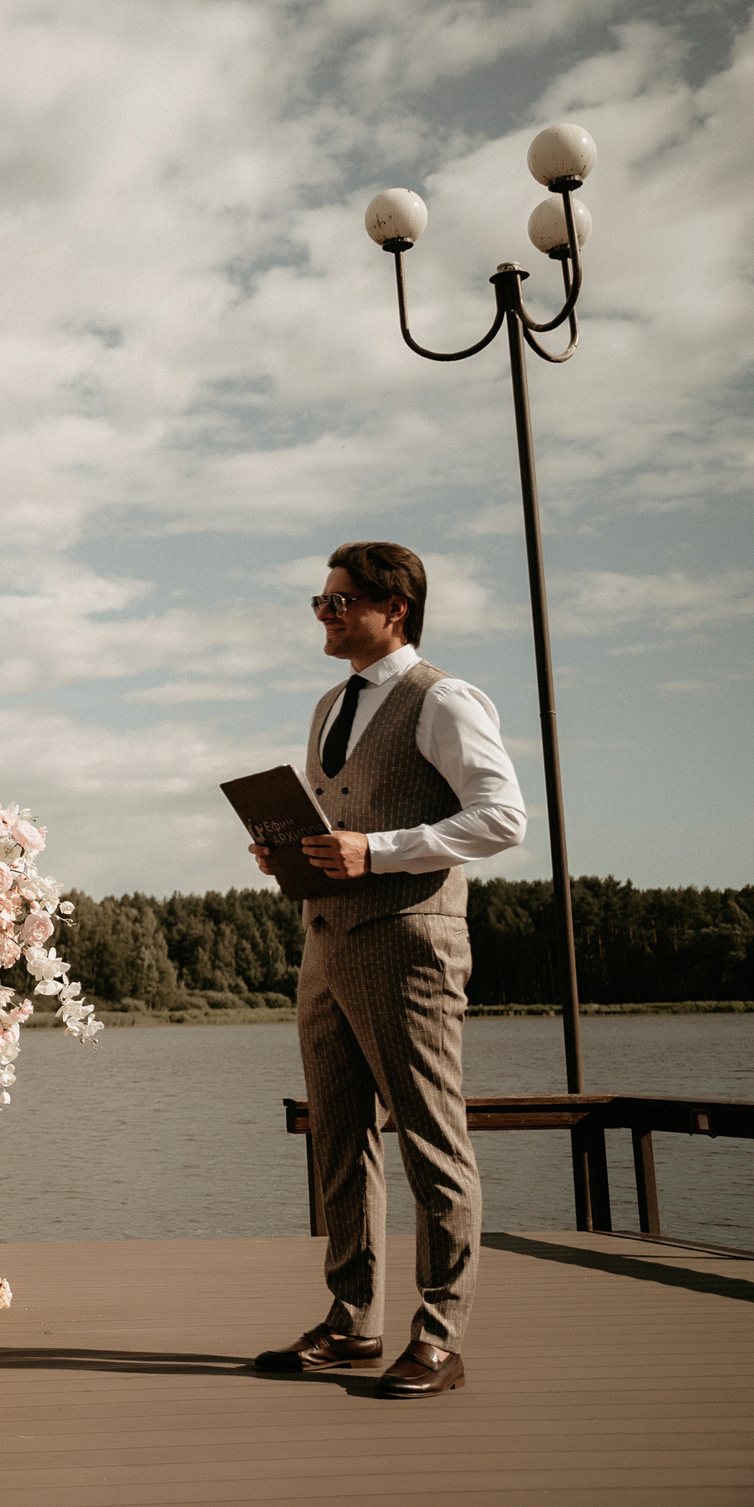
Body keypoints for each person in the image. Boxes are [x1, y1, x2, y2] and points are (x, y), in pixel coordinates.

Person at [251, 542, 525, 1399]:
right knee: (338, 1132)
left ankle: (439, 1337)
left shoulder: (442, 697)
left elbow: (502, 816)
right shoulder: (332, 702)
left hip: (409, 942)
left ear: (393, 607)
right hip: (327, 940)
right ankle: (352, 1319)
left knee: (431, 1137)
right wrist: (291, 853)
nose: (325, 615)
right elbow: (343, 816)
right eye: (320, 602)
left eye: (339, 602)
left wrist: (376, 850)